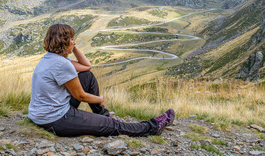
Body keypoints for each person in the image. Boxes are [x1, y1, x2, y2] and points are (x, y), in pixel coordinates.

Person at [28, 24, 174, 137]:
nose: (74, 41)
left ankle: (103, 115)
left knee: (87, 76)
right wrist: (99, 99)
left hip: (43, 114)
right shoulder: (62, 64)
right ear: (64, 41)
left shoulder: (51, 58)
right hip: (55, 119)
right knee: (112, 126)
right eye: (72, 39)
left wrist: (74, 48)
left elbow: (86, 67)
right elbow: (81, 96)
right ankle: (153, 127)